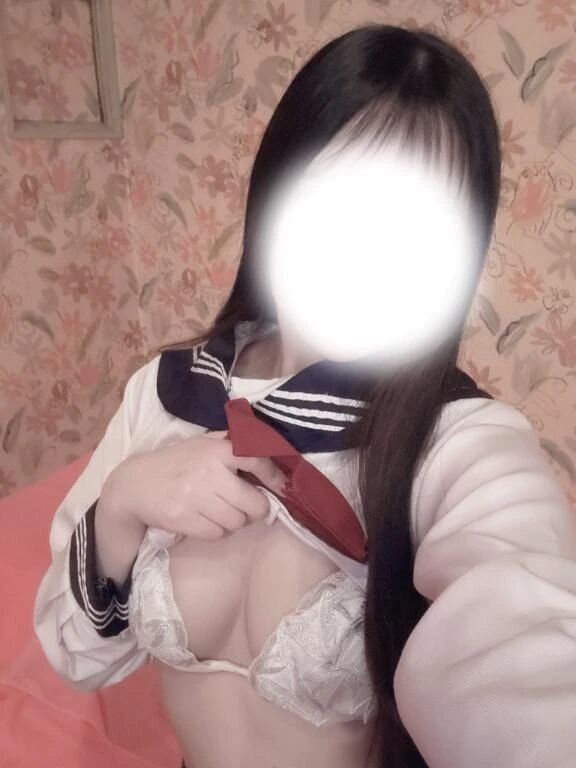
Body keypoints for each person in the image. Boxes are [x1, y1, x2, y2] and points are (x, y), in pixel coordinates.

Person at [33, 22, 576, 768]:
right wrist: (122, 503)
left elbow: (528, 651)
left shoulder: (458, 442)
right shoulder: (164, 394)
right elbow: (77, 658)